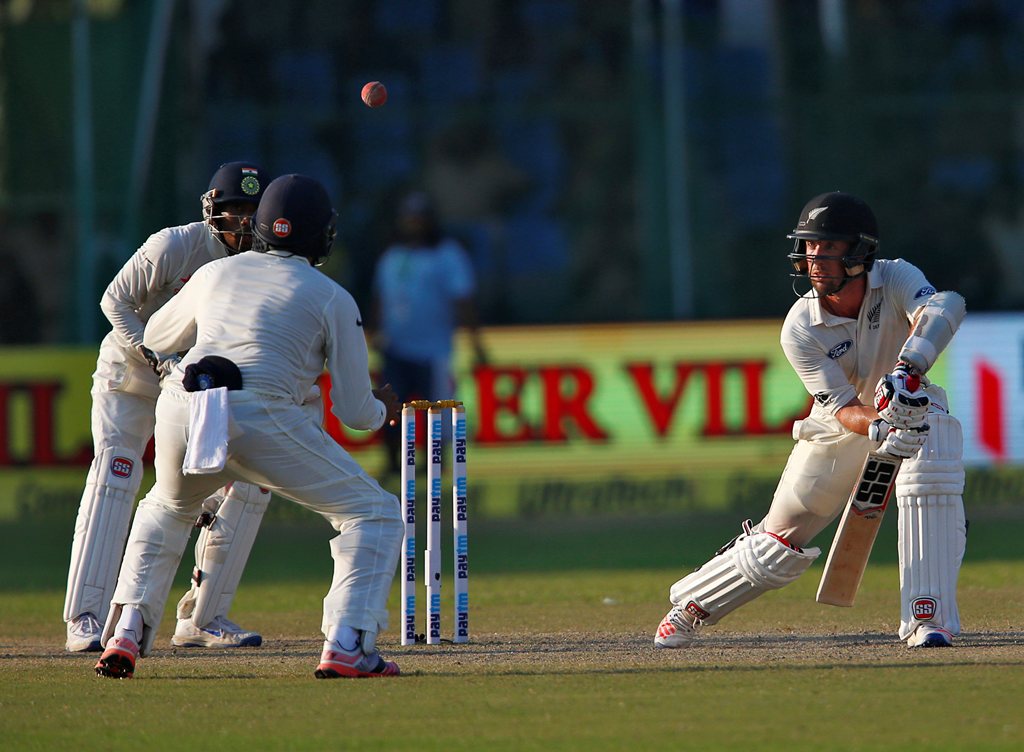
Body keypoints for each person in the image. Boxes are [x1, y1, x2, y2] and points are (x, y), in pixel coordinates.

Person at [94, 174, 403, 680]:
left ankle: (127, 628)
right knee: (375, 513)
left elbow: (155, 334)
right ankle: (348, 643)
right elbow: (353, 411)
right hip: (260, 413)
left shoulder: (216, 274)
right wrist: (381, 408)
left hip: (187, 405)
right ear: (320, 234)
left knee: (167, 507)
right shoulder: (332, 297)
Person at [654, 191, 967, 649]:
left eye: (827, 246)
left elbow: (943, 308)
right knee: (779, 541)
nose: (814, 258)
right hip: (839, 429)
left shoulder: (896, 277)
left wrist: (906, 374)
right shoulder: (800, 326)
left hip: (909, 403)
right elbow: (841, 408)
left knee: (933, 441)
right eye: (809, 247)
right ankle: (693, 603)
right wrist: (881, 425)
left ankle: (927, 618)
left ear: (859, 252)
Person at [64, 162, 272, 652]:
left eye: (251, 212)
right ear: (211, 210)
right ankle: (87, 618)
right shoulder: (174, 245)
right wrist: (155, 357)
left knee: (249, 483)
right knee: (116, 475)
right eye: (233, 211)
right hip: (130, 378)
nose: (243, 222)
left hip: (191, 389)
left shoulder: (259, 263)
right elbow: (114, 300)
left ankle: (203, 615)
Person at [370, 190, 486, 477]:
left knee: (436, 410)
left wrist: (475, 342)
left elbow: (463, 301)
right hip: (396, 348)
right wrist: (374, 333)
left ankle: (434, 465)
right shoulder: (393, 256)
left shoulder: (448, 254)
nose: (414, 224)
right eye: (410, 218)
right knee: (391, 410)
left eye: (420, 218)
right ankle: (392, 464)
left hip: (434, 350)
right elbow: (380, 298)